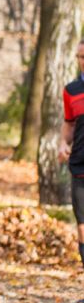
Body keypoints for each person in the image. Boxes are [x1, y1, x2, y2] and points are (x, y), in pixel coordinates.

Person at [58, 38, 84, 269]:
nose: (82, 61)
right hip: (80, 166)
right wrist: (62, 144)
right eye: (79, 57)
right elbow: (69, 123)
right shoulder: (71, 90)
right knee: (83, 228)